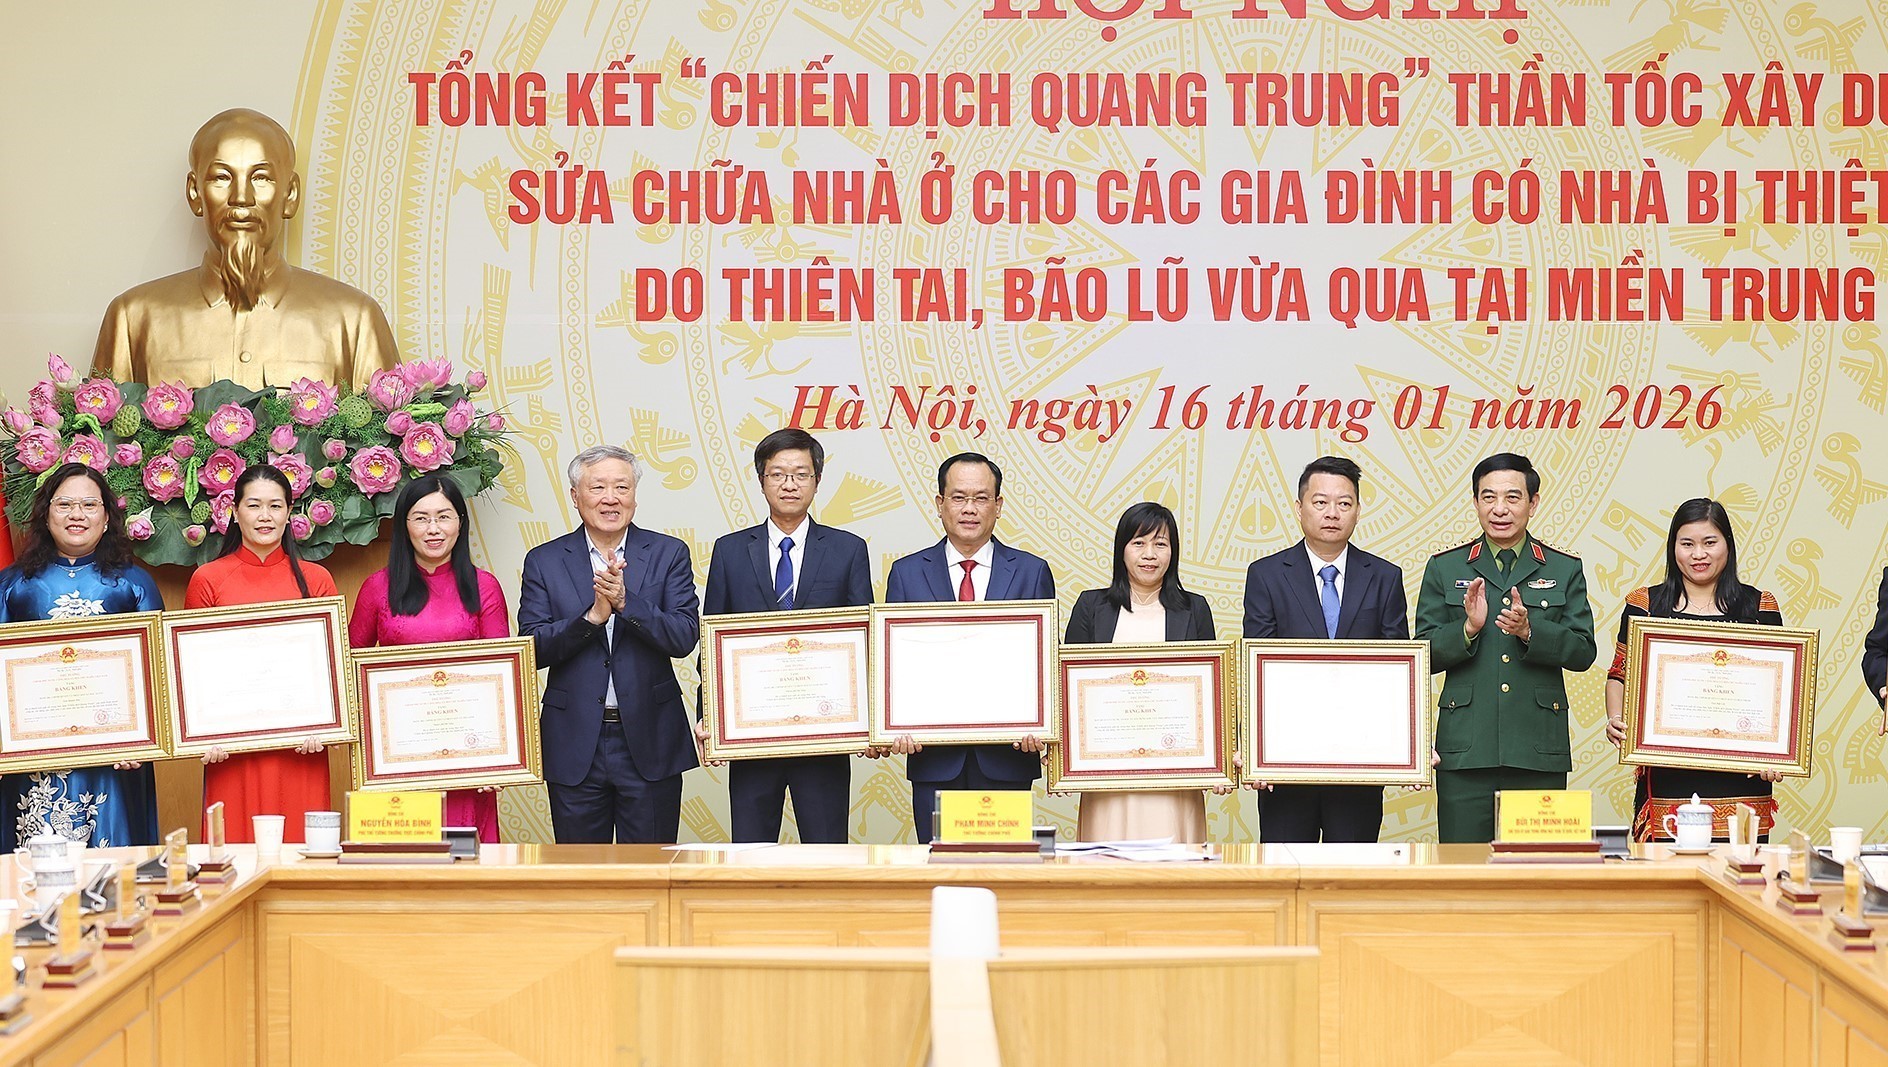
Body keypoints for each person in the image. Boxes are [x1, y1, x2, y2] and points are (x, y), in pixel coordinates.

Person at [92, 108, 398, 392]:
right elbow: (101, 428)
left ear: (290, 194)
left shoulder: (354, 321)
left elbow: (387, 430)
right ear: (195, 193)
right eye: (221, 178)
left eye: (261, 178)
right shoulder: (133, 319)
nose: (241, 197)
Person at [518, 446, 699, 843]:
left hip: (651, 738)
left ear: (634, 495)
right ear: (575, 496)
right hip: (573, 739)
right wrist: (593, 618)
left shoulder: (669, 553)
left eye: (622, 486)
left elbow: (684, 636)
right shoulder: (544, 561)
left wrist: (626, 603)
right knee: (582, 872)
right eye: (597, 487)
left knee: (651, 868)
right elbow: (532, 649)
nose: (610, 498)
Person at [701, 429, 873, 843]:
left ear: (817, 480)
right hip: (752, 735)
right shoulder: (729, 550)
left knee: (827, 853)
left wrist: (869, 720)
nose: (789, 484)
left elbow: (864, 639)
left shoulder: (848, 549)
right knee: (750, 853)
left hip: (824, 738)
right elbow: (712, 640)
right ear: (761, 481)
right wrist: (710, 713)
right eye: (778, 474)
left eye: (801, 474)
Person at [1413, 453, 1596, 843]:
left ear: (1533, 503)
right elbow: (1421, 656)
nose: (1500, 509)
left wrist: (1531, 631)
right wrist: (1467, 629)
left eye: (1513, 497)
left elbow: (1583, 652)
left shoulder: (1563, 568)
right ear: (1475, 502)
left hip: (1537, 749)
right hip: (1465, 750)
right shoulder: (1445, 566)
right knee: (1463, 869)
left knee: (1537, 870)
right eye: (1489, 497)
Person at [885, 452, 1054, 843]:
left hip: (1007, 759)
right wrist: (895, 722)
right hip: (934, 759)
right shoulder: (906, 574)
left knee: (1002, 868)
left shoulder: (1031, 572)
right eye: (958, 497)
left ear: (998, 505)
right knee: (941, 868)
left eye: (981, 498)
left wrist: (1041, 725)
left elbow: (1044, 662)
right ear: (940, 503)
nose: (969, 509)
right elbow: (895, 664)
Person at [1241, 457, 1410, 843]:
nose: (1332, 513)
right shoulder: (1266, 575)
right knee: (1285, 868)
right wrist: (1253, 748)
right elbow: (1257, 669)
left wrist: (1410, 744)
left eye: (1344, 503)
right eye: (1320, 502)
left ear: (1358, 511)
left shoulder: (1384, 577)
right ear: (1299, 507)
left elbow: (1398, 670)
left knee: (1352, 871)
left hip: (1360, 758)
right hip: (1285, 759)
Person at [0, 463, 162, 850]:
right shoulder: (11, 585)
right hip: (32, 758)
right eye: (65, 504)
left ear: (106, 519)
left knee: (114, 869)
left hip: (116, 759)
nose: (77, 514)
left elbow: (158, 671)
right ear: (46, 515)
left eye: (89, 505)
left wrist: (145, 741)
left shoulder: (134, 584)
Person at [1605, 498, 1785, 841]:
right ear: (1673, 548)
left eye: (1709, 542)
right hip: (1668, 773)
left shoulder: (1759, 607)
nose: (1698, 554)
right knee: (1666, 872)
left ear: (1727, 545)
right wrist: (1615, 718)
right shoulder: (1646, 605)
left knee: (1742, 871)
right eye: (1687, 544)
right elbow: (1619, 675)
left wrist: (1776, 751)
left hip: (1743, 778)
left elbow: (1777, 693)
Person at [350, 475, 511, 842]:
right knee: (404, 862)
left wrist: (499, 758)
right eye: (421, 518)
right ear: (404, 526)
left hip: (468, 759)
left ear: (460, 523)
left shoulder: (485, 587)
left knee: (465, 862)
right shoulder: (376, 588)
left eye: (444, 516)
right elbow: (349, 671)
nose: (433, 529)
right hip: (398, 759)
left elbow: (501, 675)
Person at [185, 464, 338, 843]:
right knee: (233, 857)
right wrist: (203, 733)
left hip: (301, 749)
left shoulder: (317, 580)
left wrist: (325, 725)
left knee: (302, 857)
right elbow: (193, 673)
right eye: (254, 505)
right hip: (231, 752)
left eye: (275, 505)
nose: (265, 516)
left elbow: (332, 673)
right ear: (235, 513)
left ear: (290, 513)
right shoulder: (208, 580)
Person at [1064, 502, 1218, 841]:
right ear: (1122, 549)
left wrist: (1218, 758)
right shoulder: (1091, 606)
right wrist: (1064, 760)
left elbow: (1211, 693)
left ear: (1173, 552)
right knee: (1108, 862)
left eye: (1160, 544)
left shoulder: (1195, 609)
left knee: (1173, 862)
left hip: (1175, 775)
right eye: (1139, 543)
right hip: (1107, 776)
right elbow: (1067, 691)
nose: (1150, 554)